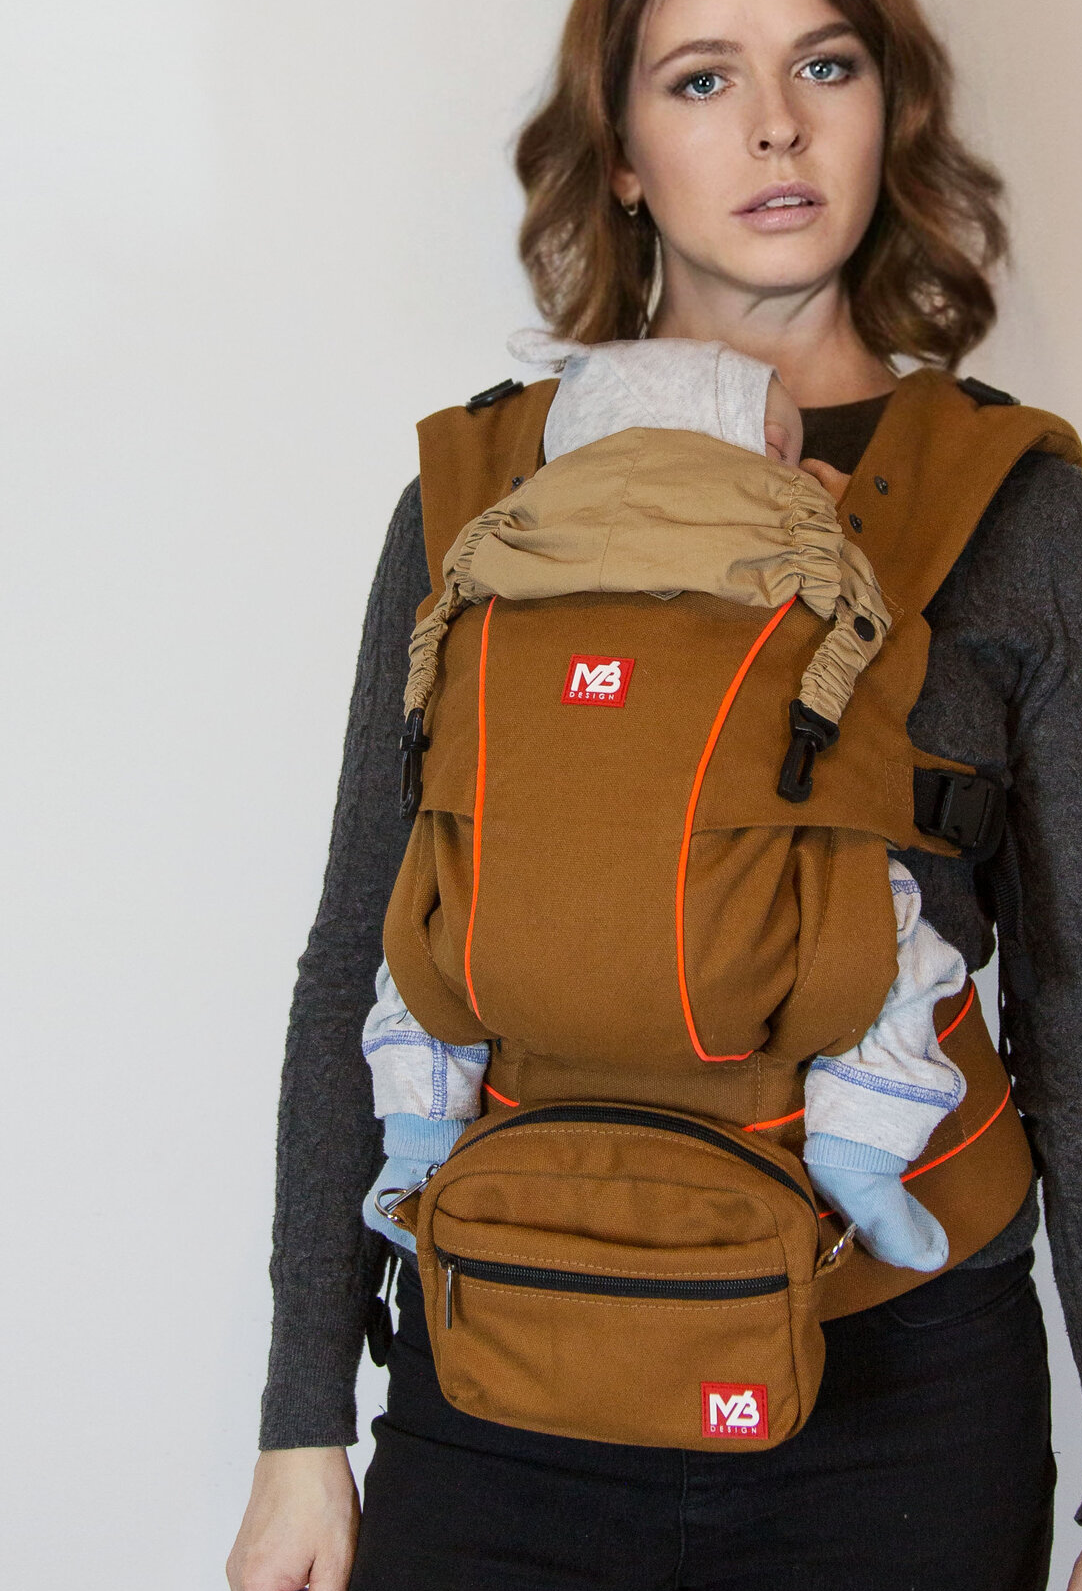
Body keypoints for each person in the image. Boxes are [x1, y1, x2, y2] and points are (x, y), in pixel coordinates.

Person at [227, 0, 1082, 1591]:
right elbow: (359, 952)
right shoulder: (477, 504)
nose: (775, 125)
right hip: (502, 1397)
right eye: (701, 76)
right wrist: (301, 1423)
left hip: (892, 1415)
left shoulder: (1021, 525)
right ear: (619, 153)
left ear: (891, 111)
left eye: (825, 64)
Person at [360, 328, 978, 1275]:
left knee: (417, 951)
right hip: (755, 967)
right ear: (761, 450)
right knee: (901, 948)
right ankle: (859, 1144)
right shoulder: (801, 549)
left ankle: (417, 1144)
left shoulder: (488, 546)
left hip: (499, 955)